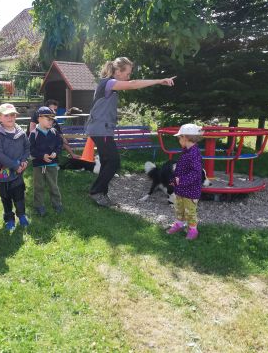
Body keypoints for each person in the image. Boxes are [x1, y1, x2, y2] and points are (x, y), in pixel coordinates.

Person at [86, 57, 175, 207]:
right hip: (101, 130)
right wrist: (159, 80)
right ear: (118, 72)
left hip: (100, 129)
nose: (129, 77)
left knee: (108, 161)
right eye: (127, 73)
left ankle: (101, 193)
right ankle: (96, 192)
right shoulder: (108, 83)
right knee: (114, 162)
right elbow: (133, 85)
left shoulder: (108, 84)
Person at [0, 103, 30, 230]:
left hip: (19, 172)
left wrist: (24, 160)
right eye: (6, 115)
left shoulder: (21, 132)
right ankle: (9, 219)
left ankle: (22, 215)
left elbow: (27, 147)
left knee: (19, 195)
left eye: (12, 115)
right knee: (6, 197)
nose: (10, 118)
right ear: (0, 117)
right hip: (4, 173)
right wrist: (14, 165)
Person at [167, 124, 204, 240]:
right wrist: (175, 180)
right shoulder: (186, 151)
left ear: (185, 138)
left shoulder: (194, 154)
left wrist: (181, 180)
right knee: (179, 208)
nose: (178, 140)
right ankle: (179, 223)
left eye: (179, 138)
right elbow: (183, 169)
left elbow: (196, 173)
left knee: (190, 212)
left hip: (191, 191)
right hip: (181, 189)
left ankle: (193, 230)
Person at [29, 106, 64, 216]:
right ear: (39, 118)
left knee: (53, 185)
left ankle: (57, 204)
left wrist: (55, 152)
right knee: (38, 186)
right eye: (48, 119)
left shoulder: (54, 132)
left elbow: (59, 145)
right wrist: (41, 155)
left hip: (52, 164)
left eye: (52, 120)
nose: (51, 122)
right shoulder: (34, 133)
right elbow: (31, 149)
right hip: (38, 165)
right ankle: (39, 205)